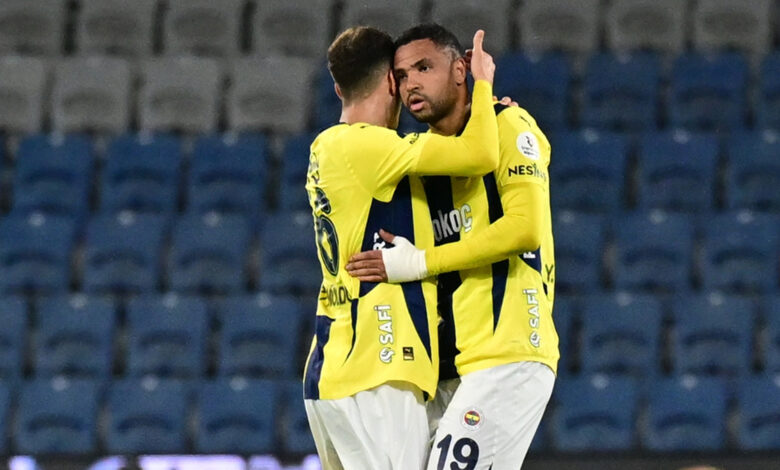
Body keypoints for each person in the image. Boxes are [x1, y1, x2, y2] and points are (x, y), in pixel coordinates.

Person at [346, 23, 559, 469]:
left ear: (461, 70)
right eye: (401, 76)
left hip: (507, 353)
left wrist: (420, 262)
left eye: (424, 68)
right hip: (445, 368)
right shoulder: (421, 157)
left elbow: (525, 228)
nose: (411, 83)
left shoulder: (509, 124)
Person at [303, 26, 501, 470]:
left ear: (338, 88)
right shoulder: (371, 146)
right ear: (391, 83)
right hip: (379, 366)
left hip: (333, 364)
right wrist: (484, 89)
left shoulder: (328, 147)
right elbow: (482, 154)